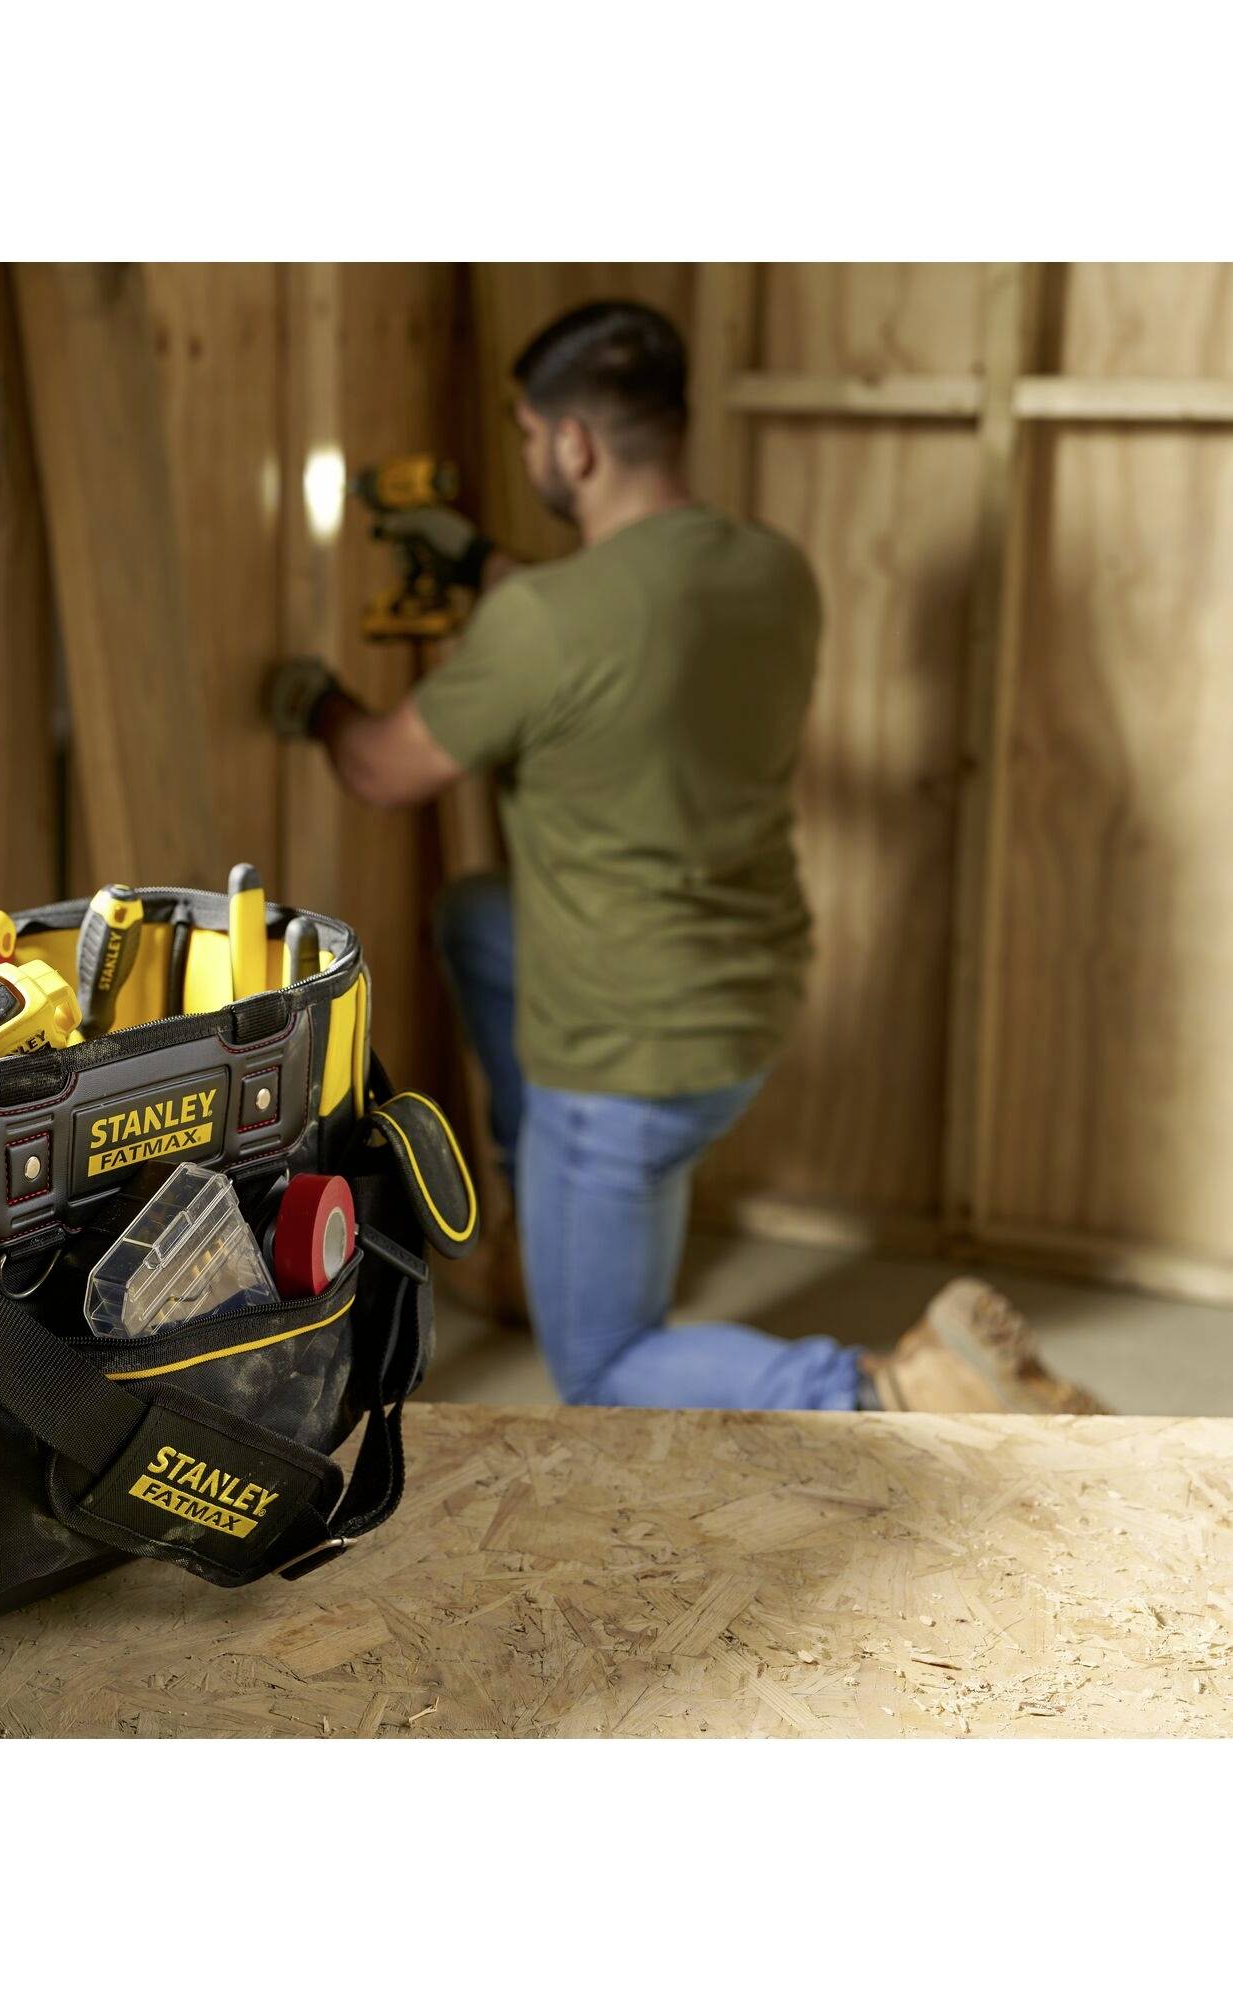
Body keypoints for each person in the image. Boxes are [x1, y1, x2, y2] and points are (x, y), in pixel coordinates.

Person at [268, 300, 1103, 1417]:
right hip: (744, 1006)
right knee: (479, 915)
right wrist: (476, 560)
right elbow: (604, 623)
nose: (528, 453)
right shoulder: (772, 574)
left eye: (527, 436)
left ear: (571, 443)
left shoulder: (544, 627)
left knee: (601, 1364)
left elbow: (379, 767)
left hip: (626, 1062)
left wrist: (307, 697)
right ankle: (545, 1230)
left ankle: (891, 1387)